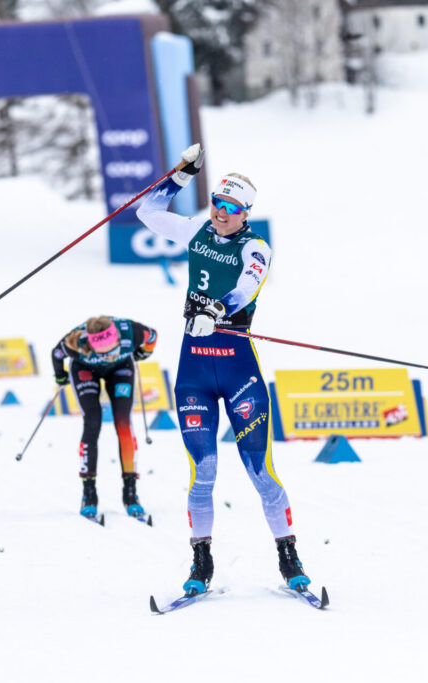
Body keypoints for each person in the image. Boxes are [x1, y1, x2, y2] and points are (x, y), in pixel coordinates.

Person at [135, 144, 310, 595]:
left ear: (246, 212)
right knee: (204, 470)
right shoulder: (197, 229)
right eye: (216, 202)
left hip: (239, 370)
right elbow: (146, 212)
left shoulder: (256, 247)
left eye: (231, 207)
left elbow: (249, 286)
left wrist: (220, 307)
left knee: (261, 472)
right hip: (194, 371)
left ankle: (289, 559)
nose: (221, 212)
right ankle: (201, 563)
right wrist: (180, 174)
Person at [51, 316, 157, 520]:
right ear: (91, 345)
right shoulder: (76, 341)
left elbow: (152, 336)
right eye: (104, 353)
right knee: (93, 421)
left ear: (118, 339)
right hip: (84, 370)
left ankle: (130, 492)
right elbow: (56, 354)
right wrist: (60, 376)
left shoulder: (130, 332)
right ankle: (88, 493)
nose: (110, 355)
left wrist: (143, 352)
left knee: (123, 423)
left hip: (121, 369)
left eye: (114, 350)